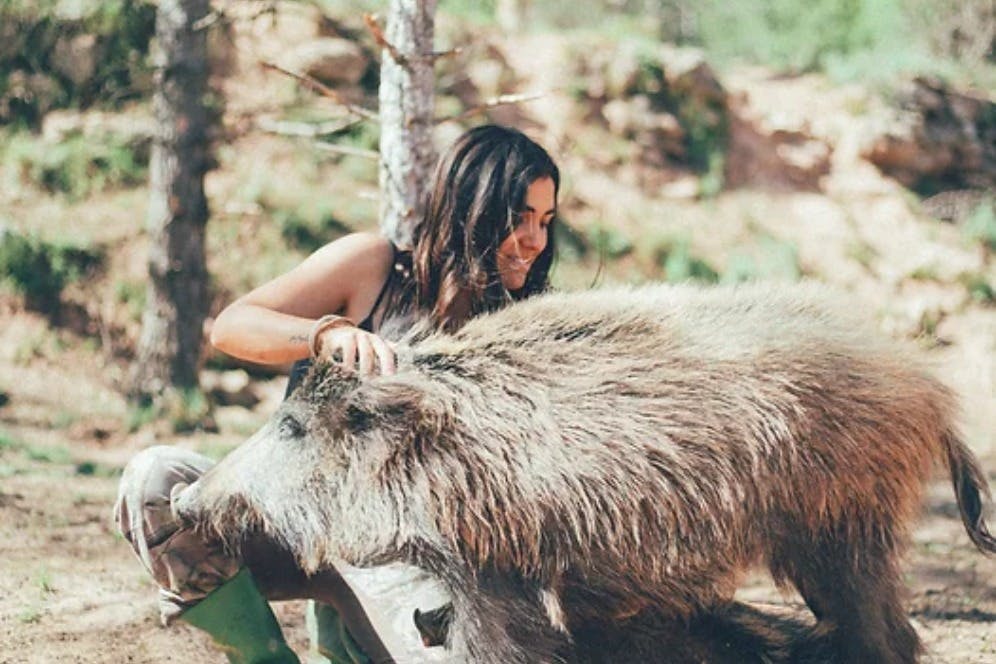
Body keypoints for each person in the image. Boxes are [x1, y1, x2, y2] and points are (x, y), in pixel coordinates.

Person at [114, 124, 560, 664]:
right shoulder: (374, 267)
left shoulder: (523, 326)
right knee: (155, 482)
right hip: (290, 521)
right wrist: (325, 334)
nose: (535, 241)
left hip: (401, 562)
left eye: (545, 221)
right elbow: (232, 325)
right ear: (472, 210)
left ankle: (348, 634)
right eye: (519, 219)